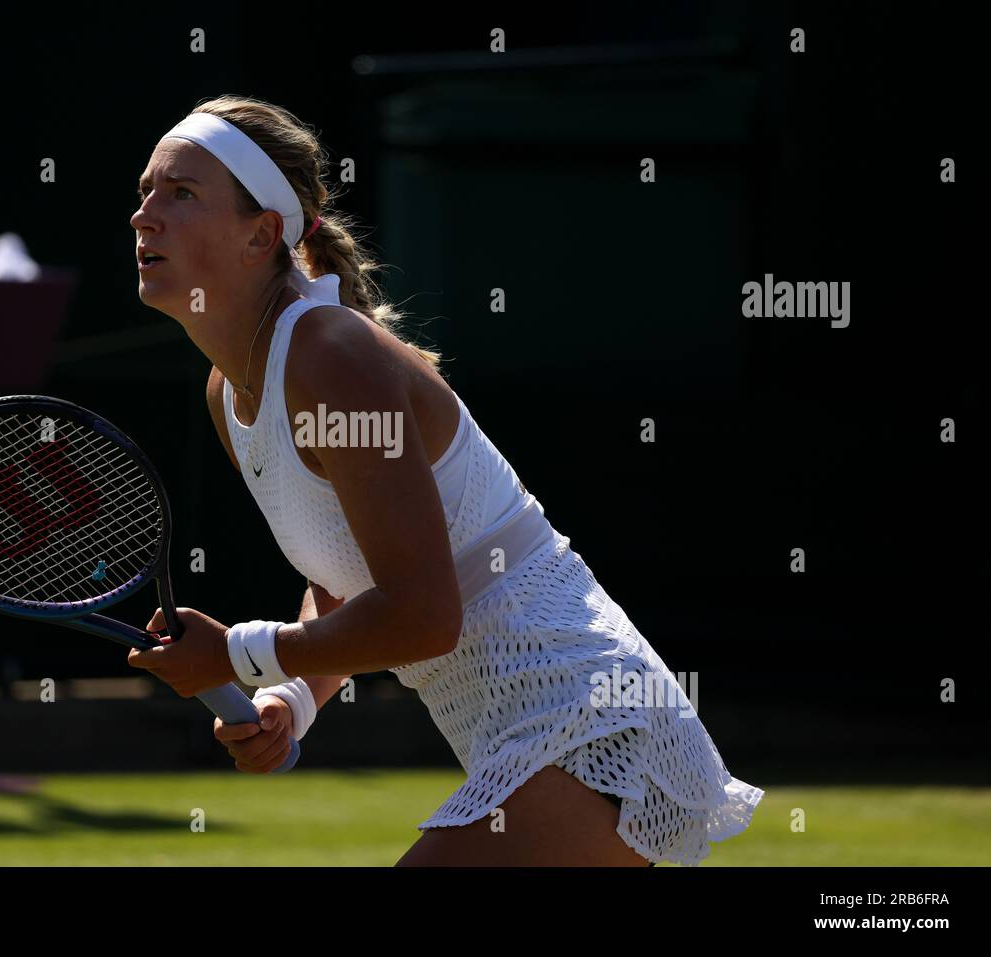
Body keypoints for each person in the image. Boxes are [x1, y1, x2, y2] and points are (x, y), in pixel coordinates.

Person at [125, 95, 764, 866]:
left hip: (594, 723)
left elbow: (426, 617)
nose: (144, 216)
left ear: (261, 234)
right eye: (145, 192)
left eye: (181, 193)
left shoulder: (330, 356)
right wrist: (290, 698)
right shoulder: (231, 394)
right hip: (538, 742)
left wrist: (243, 655)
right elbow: (352, 578)